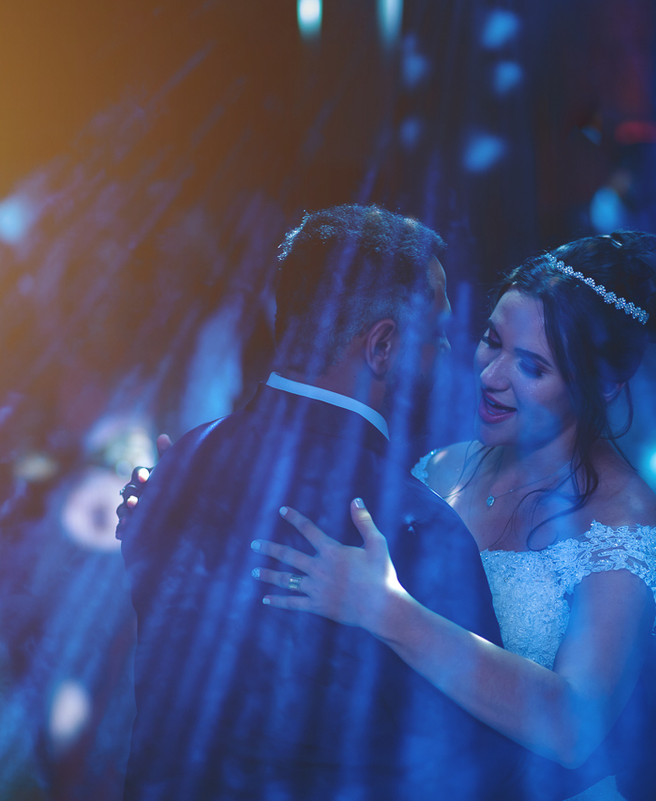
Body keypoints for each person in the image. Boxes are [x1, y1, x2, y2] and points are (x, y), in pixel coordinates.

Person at [252, 232, 656, 799]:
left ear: (602, 386)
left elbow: (574, 728)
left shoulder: (623, 522)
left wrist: (388, 610)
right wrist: (196, 494)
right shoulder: (439, 469)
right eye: (492, 341)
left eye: (532, 367)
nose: (492, 375)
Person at [117, 205, 523, 800]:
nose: (448, 355)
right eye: (436, 335)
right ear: (382, 346)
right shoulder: (411, 528)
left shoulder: (177, 466)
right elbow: (479, 760)